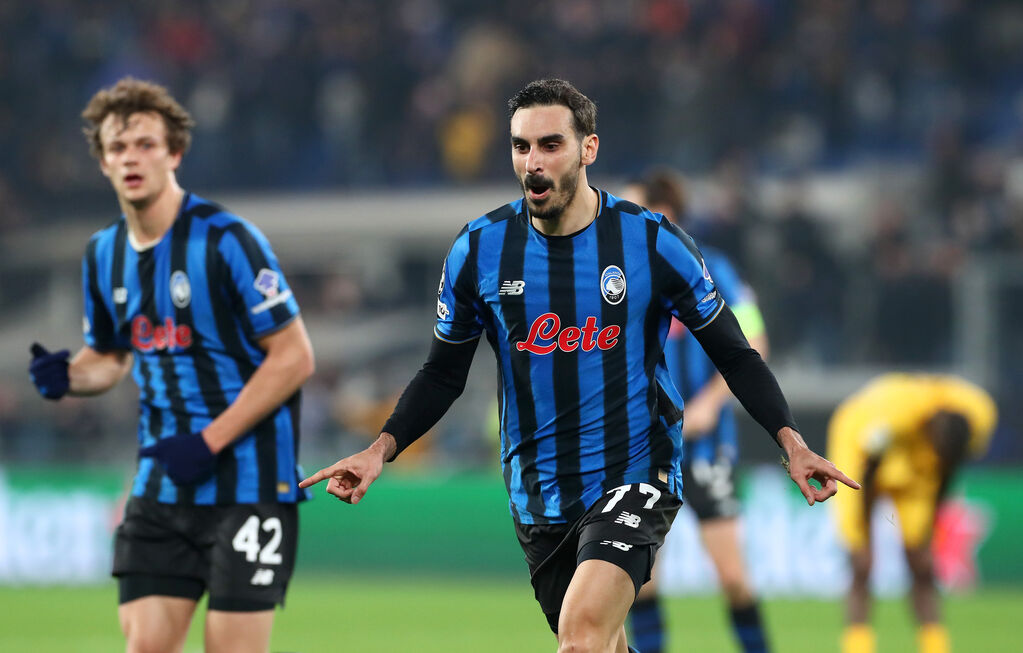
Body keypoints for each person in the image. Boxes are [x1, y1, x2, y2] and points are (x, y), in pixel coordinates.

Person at [301, 78, 858, 653]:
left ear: (588, 148)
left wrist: (790, 440)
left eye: (550, 145)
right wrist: (380, 448)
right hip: (537, 492)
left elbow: (736, 354)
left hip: (635, 470)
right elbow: (444, 372)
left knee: (581, 638)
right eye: (521, 147)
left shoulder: (653, 244)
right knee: (605, 643)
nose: (533, 163)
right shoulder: (478, 250)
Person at [27, 77, 315, 653]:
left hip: (249, 485)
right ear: (103, 163)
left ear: (174, 153)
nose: (130, 157)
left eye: (145, 144)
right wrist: (71, 376)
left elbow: (295, 357)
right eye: (117, 147)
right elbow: (110, 356)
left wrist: (209, 441)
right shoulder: (102, 254)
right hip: (163, 483)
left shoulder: (228, 240)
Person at [621, 171, 772, 653]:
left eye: (633, 207)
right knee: (642, 582)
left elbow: (755, 342)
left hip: (705, 445)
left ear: (664, 210)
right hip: (644, 446)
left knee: (733, 578)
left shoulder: (715, 268)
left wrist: (707, 404)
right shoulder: (618, 271)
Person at [827, 373, 996, 653]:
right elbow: (868, 473)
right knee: (862, 563)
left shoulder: (979, 416)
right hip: (859, 448)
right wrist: (865, 537)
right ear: (931, 430)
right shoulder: (891, 416)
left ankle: (935, 646)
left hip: (918, 465)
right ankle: (858, 647)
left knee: (922, 563)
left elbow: (947, 470)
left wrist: (929, 526)